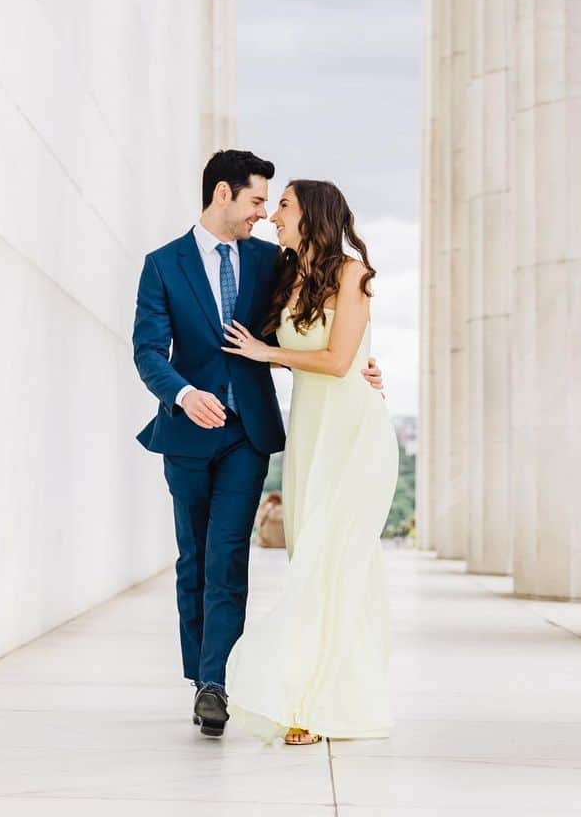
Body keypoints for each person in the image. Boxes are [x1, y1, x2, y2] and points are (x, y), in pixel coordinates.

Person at [132, 152, 383, 739]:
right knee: (193, 558)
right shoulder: (163, 265)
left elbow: (322, 318)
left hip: (249, 433)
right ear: (224, 194)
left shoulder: (275, 261)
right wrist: (182, 393)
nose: (264, 213)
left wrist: (363, 368)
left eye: (273, 204)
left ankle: (217, 684)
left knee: (228, 556)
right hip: (187, 431)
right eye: (255, 201)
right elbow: (147, 349)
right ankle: (201, 677)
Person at [221, 179, 398, 745]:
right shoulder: (288, 273)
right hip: (310, 433)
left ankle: (319, 706)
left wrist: (267, 351)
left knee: (337, 563)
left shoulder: (352, 274)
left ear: (313, 213)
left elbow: (339, 358)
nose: (273, 214)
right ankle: (310, 694)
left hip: (354, 434)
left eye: (285, 205)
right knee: (308, 558)